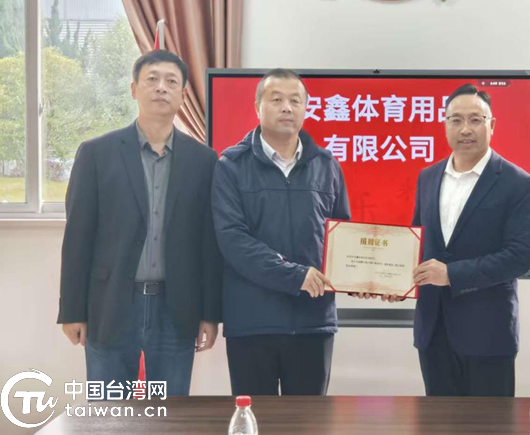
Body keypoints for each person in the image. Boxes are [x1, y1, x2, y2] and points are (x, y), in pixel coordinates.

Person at [58, 50, 222, 396]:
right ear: (134, 89)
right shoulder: (96, 153)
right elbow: (77, 239)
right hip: (112, 303)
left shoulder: (204, 160)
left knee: (170, 410)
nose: (161, 87)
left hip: (176, 306)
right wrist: (72, 310)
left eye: (171, 81)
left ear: (183, 95)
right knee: (109, 411)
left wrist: (210, 313)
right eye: (152, 79)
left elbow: (208, 243)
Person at [212, 68, 350, 396]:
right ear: (258, 107)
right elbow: (232, 240)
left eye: (295, 100)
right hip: (252, 321)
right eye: (276, 100)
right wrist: (294, 275)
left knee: (308, 420)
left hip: (313, 321)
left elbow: (341, 236)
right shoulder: (231, 166)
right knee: (254, 417)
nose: (287, 107)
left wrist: (363, 277)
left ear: (305, 108)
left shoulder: (327, 165)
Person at [399, 83, 530, 396]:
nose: (465, 129)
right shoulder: (428, 177)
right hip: (433, 330)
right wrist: (395, 281)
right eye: (456, 120)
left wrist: (451, 274)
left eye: (476, 120)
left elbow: (517, 257)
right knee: (438, 420)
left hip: (488, 334)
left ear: (492, 125)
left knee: (490, 421)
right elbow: (417, 243)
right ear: (445, 125)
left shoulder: (517, 183)